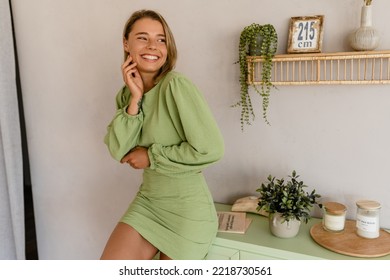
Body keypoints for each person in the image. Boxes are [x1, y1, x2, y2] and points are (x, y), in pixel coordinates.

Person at [100, 9, 224, 260]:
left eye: (161, 39)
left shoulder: (176, 85)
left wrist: (151, 156)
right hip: (149, 203)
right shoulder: (126, 95)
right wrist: (135, 99)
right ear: (126, 43)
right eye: (143, 37)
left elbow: (211, 149)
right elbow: (117, 149)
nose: (153, 46)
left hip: (187, 212)